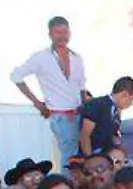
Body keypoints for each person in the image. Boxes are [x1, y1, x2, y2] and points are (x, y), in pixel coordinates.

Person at [10, 16, 89, 169]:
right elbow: (16, 76)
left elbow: (81, 86)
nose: (62, 36)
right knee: (69, 157)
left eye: (65, 32)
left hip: (78, 113)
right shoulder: (41, 57)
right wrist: (37, 103)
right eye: (58, 32)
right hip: (60, 115)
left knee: (82, 155)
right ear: (50, 34)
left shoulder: (76, 57)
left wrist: (87, 109)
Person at [79, 77, 133, 157]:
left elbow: (113, 135)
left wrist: (121, 148)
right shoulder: (96, 105)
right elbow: (85, 134)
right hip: (93, 154)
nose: (131, 104)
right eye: (131, 99)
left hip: (107, 154)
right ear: (124, 94)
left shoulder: (115, 111)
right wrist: (89, 158)